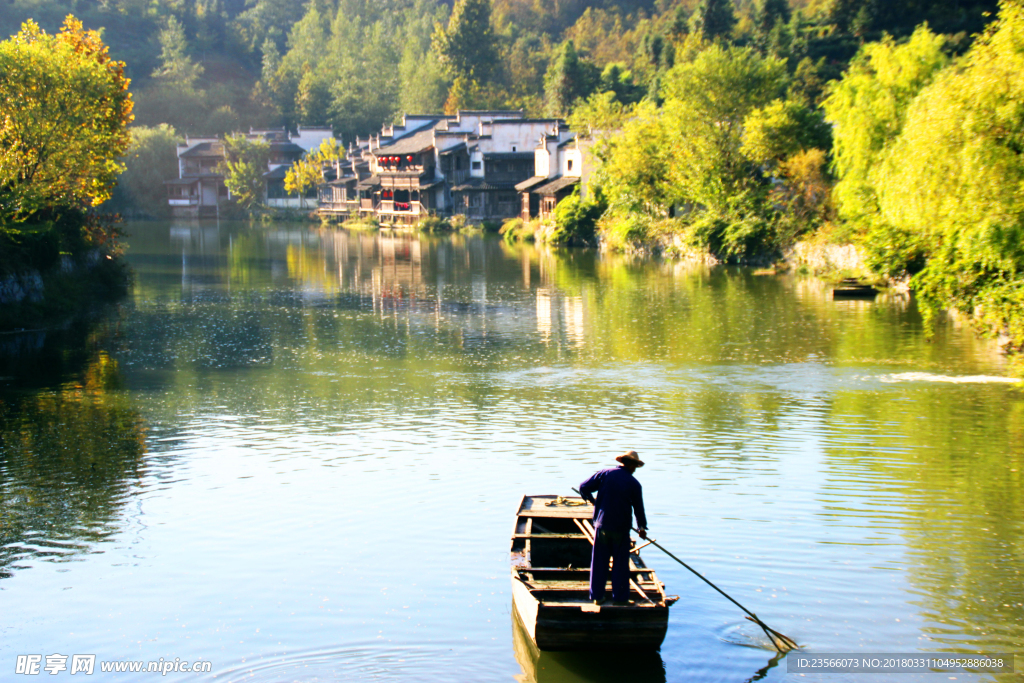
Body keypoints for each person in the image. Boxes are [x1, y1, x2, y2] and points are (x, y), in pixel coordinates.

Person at [578, 450, 648, 605]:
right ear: (631, 465)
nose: (635, 469)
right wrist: (642, 528)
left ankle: (597, 597)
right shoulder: (634, 484)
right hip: (621, 529)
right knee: (620, 565)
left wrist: (592, 501)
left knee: (599, 562)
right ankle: (620, 599)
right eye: (635, 466)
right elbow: (638, 509)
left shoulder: (605, 474)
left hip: (602, 527)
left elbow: (583, 487)